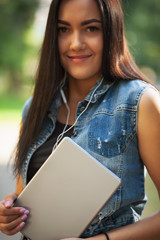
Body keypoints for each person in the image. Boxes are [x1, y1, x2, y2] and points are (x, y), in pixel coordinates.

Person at [0, 0, 160, 239]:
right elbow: (22, 196)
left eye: (91, 28)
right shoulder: (33, 108)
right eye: (64, 29)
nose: (75, 43)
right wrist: (9, 214)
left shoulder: (140, 103)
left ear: (111, 31)